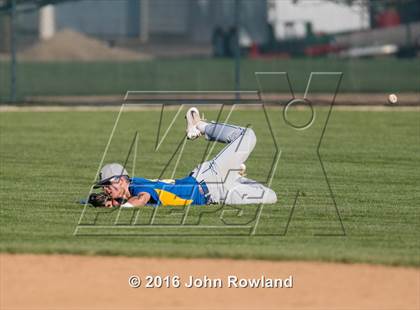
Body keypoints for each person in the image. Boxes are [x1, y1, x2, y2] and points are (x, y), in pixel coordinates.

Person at [94, 107, 277, 208]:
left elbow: (141, 200)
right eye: (104, 187)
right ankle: (235, 174)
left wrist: (124, 207)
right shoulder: (127, 193)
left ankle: (200, 125)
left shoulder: (136, 185)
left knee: (248, 135)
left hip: (208, 178)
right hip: (216, 196)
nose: (106, 189)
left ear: (123, 179)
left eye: (108, 184)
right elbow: (111, 200)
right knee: (270, 197)